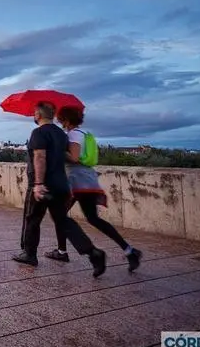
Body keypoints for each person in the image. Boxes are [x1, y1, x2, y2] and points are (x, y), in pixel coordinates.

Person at [13, 102, 107, 278]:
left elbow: (40, 157)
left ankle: (29, 254)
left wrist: (39, 184)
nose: (34, 115)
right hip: (62, 184)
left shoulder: (38, 133)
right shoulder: (62, 135)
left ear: (38, 115)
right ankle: (93, 253)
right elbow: (68, 157)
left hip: (43, 184)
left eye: (34, 113)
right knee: (63, 221)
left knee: (32, 218)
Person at [47, 107, 142, 271]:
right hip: (88, 180)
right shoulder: (85, 134)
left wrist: (58, 151)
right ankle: (129, 251)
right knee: (92, 219)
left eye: (61, 120)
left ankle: (65, 251)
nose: (60, 123)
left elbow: (75, 158)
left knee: (60, 215)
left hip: (76, 182)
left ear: (67, 121)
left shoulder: (73, 135)